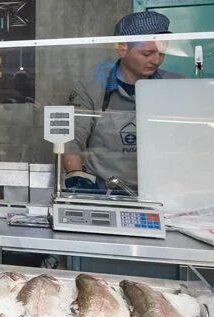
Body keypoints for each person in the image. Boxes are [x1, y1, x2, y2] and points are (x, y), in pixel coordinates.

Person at [62, 11, 181, 195]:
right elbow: (71, 142)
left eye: (161, 53)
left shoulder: (176, 86)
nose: (156, 60)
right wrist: (78, 178)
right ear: (121, 49)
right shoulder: (91, 90)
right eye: (147, 53)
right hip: (107, 191)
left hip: (164, 191)